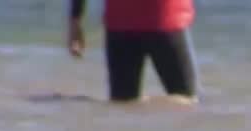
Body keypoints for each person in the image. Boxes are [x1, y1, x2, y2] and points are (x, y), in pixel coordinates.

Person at [67, 0, 198, 102]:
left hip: (122, 20)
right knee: (186, 104)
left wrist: (75, 19)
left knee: (123, 108)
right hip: (164, 17)